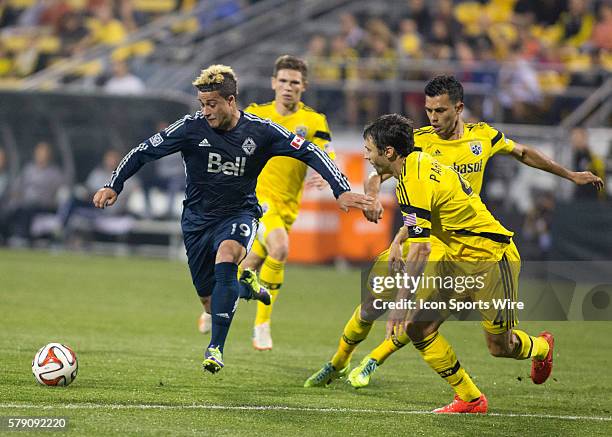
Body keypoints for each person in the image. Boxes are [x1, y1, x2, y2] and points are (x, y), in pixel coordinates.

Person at [305, 75, 603, 389]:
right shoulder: (416, 142)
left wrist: (570, 175)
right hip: (427, 239)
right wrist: (374, 199)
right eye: (429, 110)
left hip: (470, 244)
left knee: (496, 346)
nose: (433, 118)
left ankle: (536, 349)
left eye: (440, 111)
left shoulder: (482, 137)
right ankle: (340, 362)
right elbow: (377, 173)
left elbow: (524, 153)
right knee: (377, 303)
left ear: (458, 108)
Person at [93, 64, 372, 374]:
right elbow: (144, 151)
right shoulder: (190, 127)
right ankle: (246, 287)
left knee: (227, 256)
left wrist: (341, 190)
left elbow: (309, 151)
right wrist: (113, 184)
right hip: (197, 222)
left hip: (240, 213)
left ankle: (216, 348)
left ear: (230, 100)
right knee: (212, 303)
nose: (206, 111)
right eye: (202, 104)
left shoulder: (261, 131)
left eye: (212, 104)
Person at [312, 113, 555, 413]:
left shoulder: (414, 177)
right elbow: (426, 225)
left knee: (500, 347)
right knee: (419, 329)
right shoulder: (416, 165)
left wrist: (401, 302)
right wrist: (400, 240)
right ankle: (470, 398)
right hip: (457, 260)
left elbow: (423, 248)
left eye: (369, 149)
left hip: (490, 259)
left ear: (388, 153)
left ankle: (542, 347)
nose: (365, 154)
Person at [198, 55, 335, 350]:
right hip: (256, 199)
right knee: (281, 247)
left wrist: (326, 174)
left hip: (287, 207)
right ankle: (262, 324)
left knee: (247, 266)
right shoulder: (256, 114)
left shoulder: (313, 121)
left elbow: (325, 153)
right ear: (273, 83)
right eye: (283, 81)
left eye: (294, 82)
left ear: (304, 86)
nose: (288, 87)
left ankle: (211, 304)